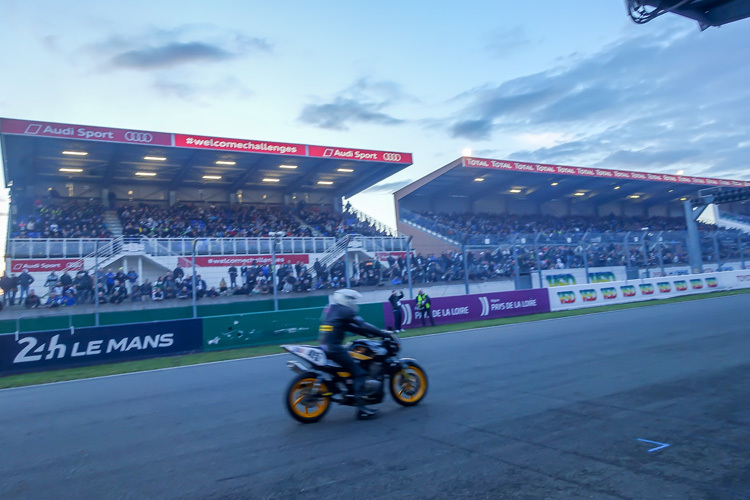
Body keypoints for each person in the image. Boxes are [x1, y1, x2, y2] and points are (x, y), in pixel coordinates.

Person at [318, 289, 392, 421]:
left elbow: (353, 328)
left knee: (352, 368)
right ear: (345, 299)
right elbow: (362, 324)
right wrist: (383, 333)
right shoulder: (345, 311)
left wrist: (370, 334)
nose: (353, 302)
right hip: (334, 349)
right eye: (351, 299)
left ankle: (349, 392)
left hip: (325, 346)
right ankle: (361, 410)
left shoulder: (333, 310)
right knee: (360, 372)